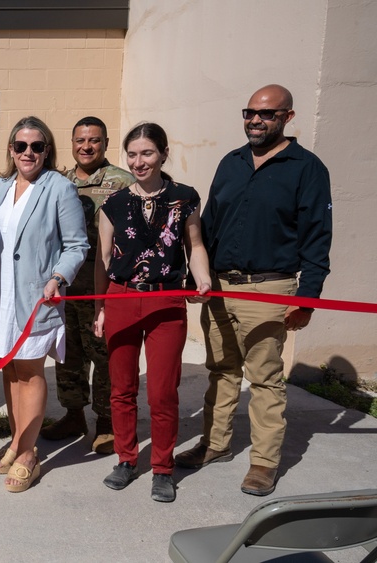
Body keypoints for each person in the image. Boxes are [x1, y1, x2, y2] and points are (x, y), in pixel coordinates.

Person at [175, 84, 333, 497]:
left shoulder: (307, 168)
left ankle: (264, 463)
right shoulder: (231, 163)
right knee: (221, 370)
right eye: (249, 113)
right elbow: (207, 226)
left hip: (269, 290)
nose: (255, 120)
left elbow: (318, 237)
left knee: (264, 379)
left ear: (287, 118)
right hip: (221, 286)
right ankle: (215, 444)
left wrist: (307, 299)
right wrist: (196, 277)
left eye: (266, 114)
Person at [93, 122, 212, 503]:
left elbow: (194, 246)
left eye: (146, 153)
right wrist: (100, 306)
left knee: (162, 392)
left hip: (166, 302)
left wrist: (203, 279)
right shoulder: (112, 203)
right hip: (121, 299)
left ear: (163, 153)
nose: (138, 161)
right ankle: (126, 459)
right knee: (122, 388)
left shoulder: (184, 198)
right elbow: (103, 259)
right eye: (132, 154)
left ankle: (162, 467)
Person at [0, 116, 88, 492]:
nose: (28, 153)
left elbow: (77, 245)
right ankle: (17, 440)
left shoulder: (59, 188)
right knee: (9, 369)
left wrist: (58, 278)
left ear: (47, 151)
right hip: (1, 295)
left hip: (37, 296)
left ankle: (27, 454)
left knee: (30, 369)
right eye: (21, 146)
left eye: (37, 146)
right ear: (11, 149)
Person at [41, 116, 134, 455]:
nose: (86, 146)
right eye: (80, 140)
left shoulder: (122, 182)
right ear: (72, 143)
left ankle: (107, 422)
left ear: (105, 143)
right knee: (67, 355)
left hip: (103, 287)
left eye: (94, 140)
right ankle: (73, 414)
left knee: (106, 356)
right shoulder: (58, 180)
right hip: (66, 287)